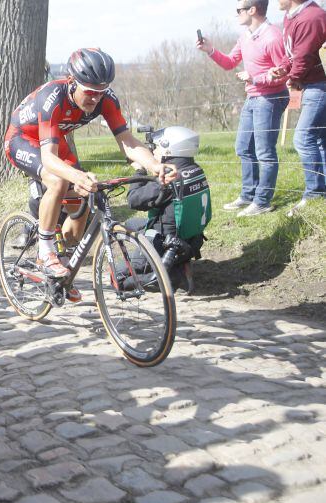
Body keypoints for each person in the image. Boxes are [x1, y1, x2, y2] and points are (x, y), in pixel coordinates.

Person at [3, 48, 175, 297]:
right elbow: (50, 159)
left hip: (53, 138)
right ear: (72, 82)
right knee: (59, 181)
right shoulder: (53, 96)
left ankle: (61, 263)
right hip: (22, 138)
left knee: (81, 202)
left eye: (101, 92)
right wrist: (77, 176)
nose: (96, 98)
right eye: (91, 92)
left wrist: (155, 165)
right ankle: (45, 250)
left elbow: (126, 141)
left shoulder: (105, 98)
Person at [197, 0, 289, 216]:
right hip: (253, 97)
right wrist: (210, 50)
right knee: (243, 148)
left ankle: (262, 202)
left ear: (253, 10)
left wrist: (254, 77)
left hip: (271, 98)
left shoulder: (273, 37)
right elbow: (230, 62)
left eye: (239, 10)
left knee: (265, 152)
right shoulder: (246, 35)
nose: (236, 14)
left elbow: (283, 73)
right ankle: (248, 195)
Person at [126, 126, 212, 294]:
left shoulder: (169, 180)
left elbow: (134, 200)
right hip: (191, 240)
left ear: (169, 149)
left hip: (164, 242)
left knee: (119, 278)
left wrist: (139, 169)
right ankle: (180, 264)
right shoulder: (194, 170)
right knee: (129, 224)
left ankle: (171, 277)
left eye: (156, 147)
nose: (153, 151)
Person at [272, 0, 326, 216]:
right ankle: (321, 190)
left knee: (303, 138)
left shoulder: (311, 17)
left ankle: (314, 192)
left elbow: (303, 56)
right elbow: (293, 52)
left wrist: (294, 77)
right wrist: (284, 67)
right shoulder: (292, 16)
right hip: (312, 84)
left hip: (319, 85)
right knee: (320, 138)